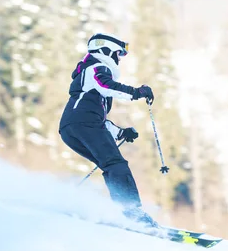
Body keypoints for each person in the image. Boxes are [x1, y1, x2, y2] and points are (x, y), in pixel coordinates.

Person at [59, 32, 158, 228]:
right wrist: (137, 92)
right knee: (115, 164)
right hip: (83, 124)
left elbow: (98, 120)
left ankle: (124, 210)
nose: (119, 59)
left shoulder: (87, 74)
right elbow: (105, 85)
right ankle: (132, 213)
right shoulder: (96, 67)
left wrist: (121, 133)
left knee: (110, 164)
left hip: (72, 127)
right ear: (107, 50)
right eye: (119, 54)